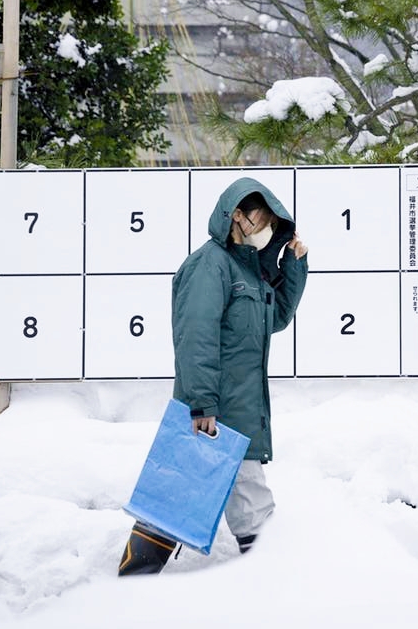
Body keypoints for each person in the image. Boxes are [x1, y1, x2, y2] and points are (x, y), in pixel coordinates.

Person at [118, 177, 308, 576]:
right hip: (215, 410)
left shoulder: (247, 272)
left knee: (179, 500)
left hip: (238, 407)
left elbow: (274, 318)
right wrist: (202, 403)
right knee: (235, 503)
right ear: (237, 215)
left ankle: (134, 583)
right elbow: (196, 337)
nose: (268, 228)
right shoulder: (210, 264)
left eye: (274, 223)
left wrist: (292, 265)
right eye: (264, 219)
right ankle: (275, 583)